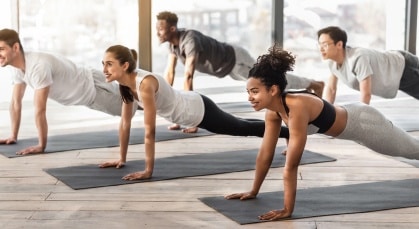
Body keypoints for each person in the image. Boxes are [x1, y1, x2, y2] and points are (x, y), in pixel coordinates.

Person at [224, 44, 419, 221]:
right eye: (248, 92)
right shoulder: (273, 112)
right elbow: (265, 155)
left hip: (365, 124)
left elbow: (291, 165)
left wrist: (287, 209)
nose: (250, 97)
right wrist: (253, 191)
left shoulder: (297, 107)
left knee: (413, 151)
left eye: (254, 91)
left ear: (273, 90)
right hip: (352, 119)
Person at [98, 44, 290, 180]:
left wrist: (148, 170)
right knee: (238, 123)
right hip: (191, 106)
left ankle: (288, 132)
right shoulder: (125, 84)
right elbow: (125, 123)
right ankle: (283, 128)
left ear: (124, 65)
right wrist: (121, 158)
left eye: (109, 64)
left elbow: (150, 131)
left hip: (197, 110)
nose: (104, 69)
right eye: (103, 64)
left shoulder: (144, 83)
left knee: (240, 128)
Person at [156, 11, 325, 132]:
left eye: (160, 28)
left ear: (172, 29)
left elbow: (188, 75)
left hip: (236, 59)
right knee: (268, 79)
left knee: (270, 79)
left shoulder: (189, 39)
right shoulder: (173, 46)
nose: (157, 32)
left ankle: (313, 84)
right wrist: (177, 115)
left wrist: (190, 116)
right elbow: (169, 74)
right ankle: (312, 84)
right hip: (228, 67)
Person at [0, 28, 136, 155]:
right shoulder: (17, 67)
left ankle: (148, 87)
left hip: (93, 89)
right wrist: (13, 136)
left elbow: (40, 110)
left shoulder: (37, 67)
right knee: (137, 102)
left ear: (16, 48)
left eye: (1, 49)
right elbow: (15, 103)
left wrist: (41, 146)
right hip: (89, 90)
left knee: (134, 107)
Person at [317, 26, 419, 104]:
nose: (321, 49)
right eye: (319, 44)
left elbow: (366, 95)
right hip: (394, 65)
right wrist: (325, 113)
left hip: (401, 67)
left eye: (325, 45)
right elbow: (331, 89)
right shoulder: (333, 62)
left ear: (339, 44)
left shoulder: (358, 58)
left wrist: (360, 119)